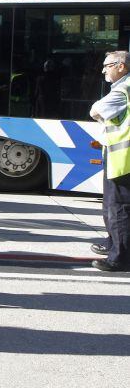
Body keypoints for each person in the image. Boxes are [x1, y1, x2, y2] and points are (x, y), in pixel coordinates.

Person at [88, 51, 130, 272]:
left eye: (108, 65)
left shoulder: (124, 89)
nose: (104, 70)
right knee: (112, 206)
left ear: (121, 66)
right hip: (120, 157)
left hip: (123, 159)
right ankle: (113, 244)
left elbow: (96, 110)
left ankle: (119, 258)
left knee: (118, 208)